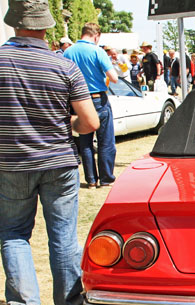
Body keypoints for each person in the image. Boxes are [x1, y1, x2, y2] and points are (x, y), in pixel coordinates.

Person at [0, 0, 100, 305]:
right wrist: (66, 125)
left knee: (13, 233)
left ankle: (24, 301)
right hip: (59, 161)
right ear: (47, 26)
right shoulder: (64, 66)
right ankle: (70, 302)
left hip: (11, 163)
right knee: (63, 234)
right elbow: (90, 122)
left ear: (14, 23)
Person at [64, 22, 119, 189]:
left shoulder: (68, 52)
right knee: (105, 141)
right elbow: (114, 78)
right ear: (96, 36)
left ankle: (91, 180)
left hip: (77, 100)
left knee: (85, 141)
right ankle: (106, 178)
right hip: (97, 99)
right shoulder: (97, 51)